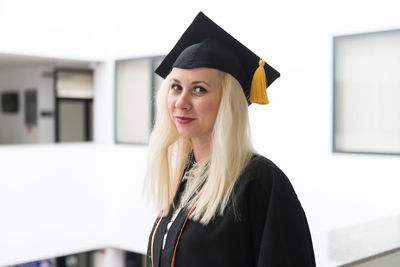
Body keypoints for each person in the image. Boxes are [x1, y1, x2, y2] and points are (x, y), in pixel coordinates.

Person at [145, 12, 316, 267]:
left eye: (199, 89)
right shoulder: (184, 177)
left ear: (229, 103)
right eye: (176, 87)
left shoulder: (260, 183)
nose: (181, 102)